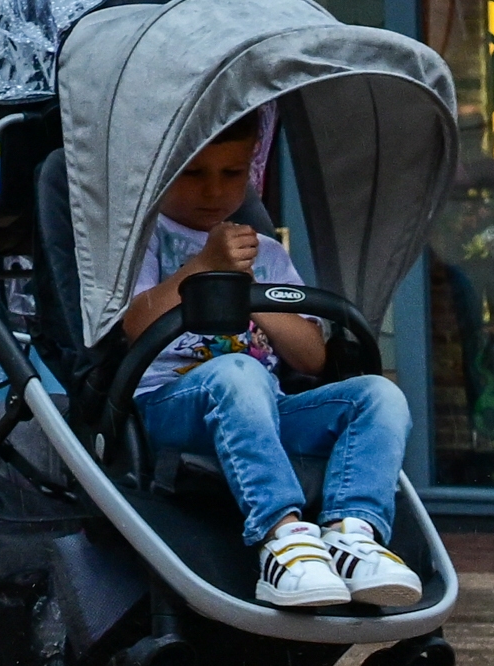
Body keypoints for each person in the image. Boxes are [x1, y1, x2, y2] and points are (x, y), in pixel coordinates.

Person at [120, 119, 420, 612]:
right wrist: (204, 270)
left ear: (253, 168)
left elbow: (312, 357)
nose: (214, 190)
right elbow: (136, 326)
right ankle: (282, 538)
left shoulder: (268, 252)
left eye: (232, 172)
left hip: (266, 408)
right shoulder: (145, 239)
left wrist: (252, 294)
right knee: (241, 371)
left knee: (379, 395)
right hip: (170, 403)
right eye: (193, 175)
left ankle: (353, 534)